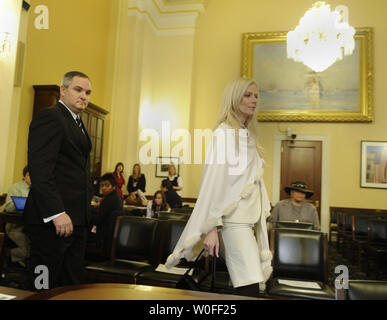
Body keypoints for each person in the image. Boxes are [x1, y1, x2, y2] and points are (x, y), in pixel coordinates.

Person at [165, 78, 272, 298]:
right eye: (248, 95)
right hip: (233, 222)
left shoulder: (247, 134)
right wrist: (212, 228)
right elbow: (214, 183)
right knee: (250, 285)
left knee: (247, 284)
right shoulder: (223, 134)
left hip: (247, 220)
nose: (254, 100)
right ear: (234, 98)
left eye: (256, 96)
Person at [24, 71, 93, 290]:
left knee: (69, 286)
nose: (84, 96)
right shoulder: (50, 116)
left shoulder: (78, 123)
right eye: (78, 90)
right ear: (63, 90)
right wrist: (56, 213)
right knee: (42, 286)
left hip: (76, 221)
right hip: (53, 221)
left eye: (88, 92)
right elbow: (40, 171)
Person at [4, 166, 31, 268]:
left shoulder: (38, 188)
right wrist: (22, 204)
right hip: (15, 226)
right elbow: (9, 207)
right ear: (26, 175)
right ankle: (7, 254)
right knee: (26, 251)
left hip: (31, 226)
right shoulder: (16, 187)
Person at [90, 173, 123, 247]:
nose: (103, 188)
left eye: (107, 185)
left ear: (113, 187)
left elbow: (98, 219)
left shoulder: (110, 199)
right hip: (110, 234)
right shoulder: (115, 197)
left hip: (104, 236)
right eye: (102, 185)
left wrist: (87, 214)